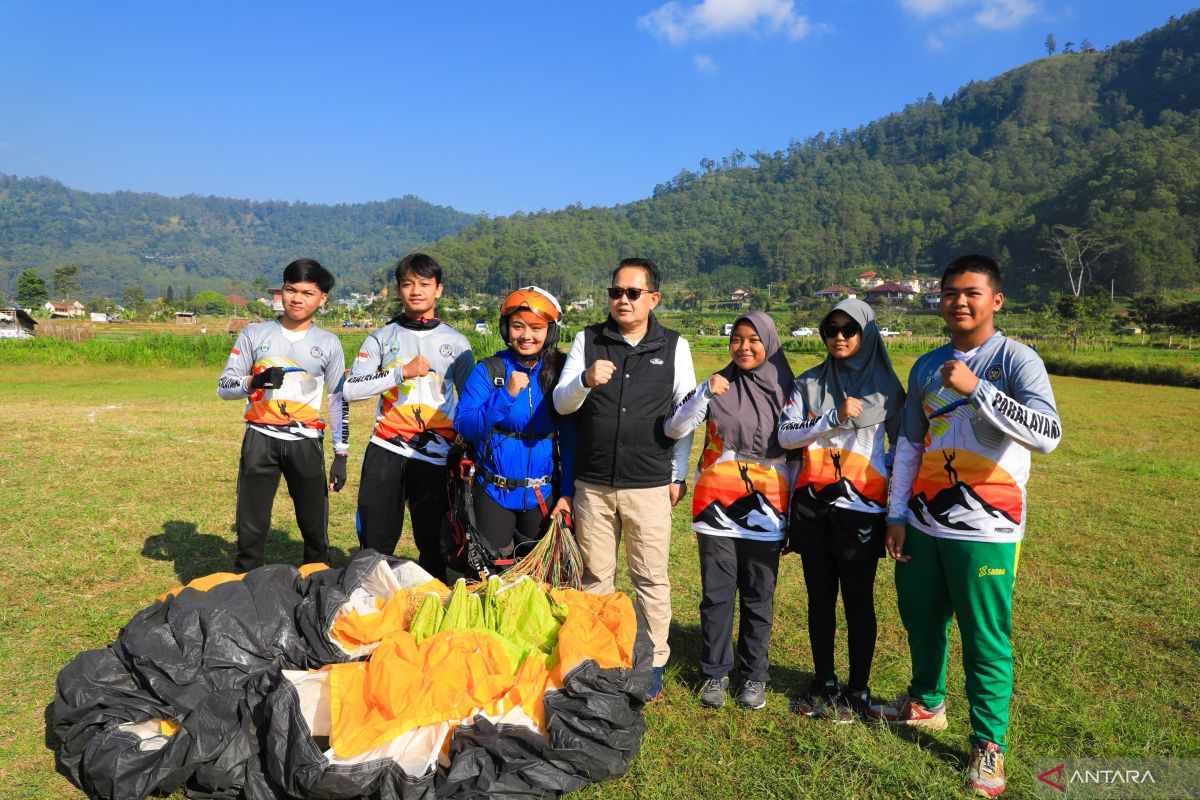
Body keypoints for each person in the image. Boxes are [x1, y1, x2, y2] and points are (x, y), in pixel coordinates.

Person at [867, 255, 1062, 798]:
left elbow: (1047, 435)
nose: (959, 301)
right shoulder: (926, 365)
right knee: (921, 620)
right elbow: (909, 444)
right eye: (951, 292)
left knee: (985, 637)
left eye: (971, 292)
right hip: (926, 522)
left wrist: (979, 387)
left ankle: (988, 743)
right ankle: (926, 704)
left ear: (995, 300)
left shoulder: (1018, 360)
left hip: (987, 528)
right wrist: (898, 514)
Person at [553, 257, 697, 702]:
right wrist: (584, 380)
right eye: (616, 292)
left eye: (633, 293)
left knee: (650, 577)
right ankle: (602, 654)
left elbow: (687, 416)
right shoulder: (588, 339)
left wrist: (677, 474)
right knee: (596, 576)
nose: (622, 300)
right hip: (593, 484)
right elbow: (561, 403)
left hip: (649, 483)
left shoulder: (675, 346)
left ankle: (653, 661)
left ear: (653, 298)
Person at [778, 298, 904, 721]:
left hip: (862, 513)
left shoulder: (888, 391)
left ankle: (858, 690)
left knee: (858, 603)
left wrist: (896, 511)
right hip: (813, 507)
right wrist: (831, 417)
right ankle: (823, 681)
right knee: (818, 600)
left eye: (849, 330)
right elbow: (787, 435)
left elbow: (906, 451)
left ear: (867, 334)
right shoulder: (808, 383)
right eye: (831, 329)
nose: (839, 337)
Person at [663, 311, 794, 711]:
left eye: (754, 339)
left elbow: (799, 454)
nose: (744, 347)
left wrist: (794, 513)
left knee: (759, 595)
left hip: (769, 506)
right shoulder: (718, 384)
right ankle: (714, 672)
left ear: (769, 341)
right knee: (716, 595)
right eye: (736, 339)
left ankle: (754, 676)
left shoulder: (790, 388)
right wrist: (703, 391)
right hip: (716, 505)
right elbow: (674, 428)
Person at [342, 253, 474, 581]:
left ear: (438, 290)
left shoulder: (457, 343)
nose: (416, 291)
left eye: (424, 284)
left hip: (435, 454)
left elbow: (471, 399)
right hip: (386, 448)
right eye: (407, 284)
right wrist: (400, 373)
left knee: (432, 540)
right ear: (399, 290)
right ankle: (370, 595)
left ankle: (433, 597)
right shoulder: (380, 338)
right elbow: (351, 389)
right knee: (376, 536)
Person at [217, 258, 349, 572]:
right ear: (282, 291)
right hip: (260, 438)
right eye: (291, 290)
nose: (297, 298)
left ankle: (317, 583)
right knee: (251, 523)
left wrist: (341, 454)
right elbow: (224, 385)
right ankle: (245, 584)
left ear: (322, 298)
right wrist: (254, 381)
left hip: (306, 442)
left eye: (307, 292)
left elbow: (337, 399)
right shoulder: (254, 334)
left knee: (314, 524)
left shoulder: (329, 343)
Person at [456, 286, 575, 560]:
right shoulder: (489, 371)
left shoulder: (561, 372)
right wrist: (504, 396)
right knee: (492, 574)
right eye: (518, 326)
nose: (526, 335)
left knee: (542, 576)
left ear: (550, 332)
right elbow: (465, 425)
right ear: (506, 328)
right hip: (493, 490)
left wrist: (567, 493)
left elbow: (570, 440)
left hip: (542, 493)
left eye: (536, 327)